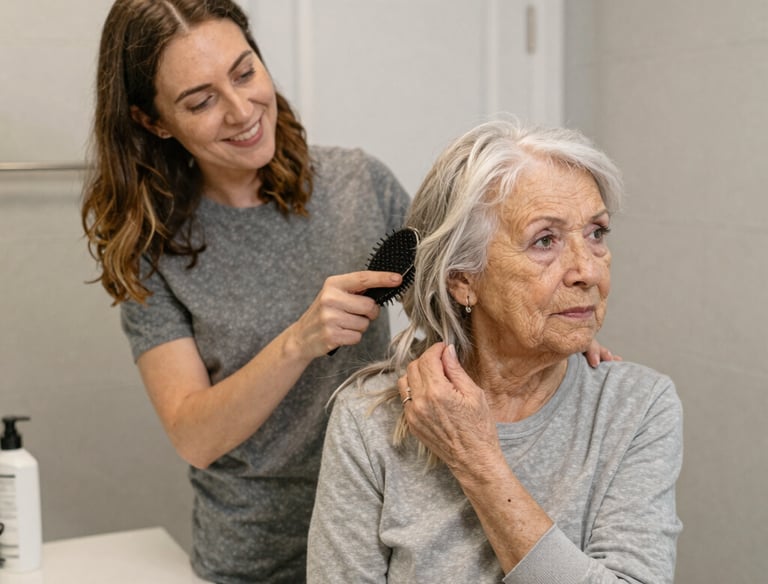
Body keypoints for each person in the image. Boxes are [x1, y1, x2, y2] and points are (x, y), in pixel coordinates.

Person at [80, 1, 412, 582]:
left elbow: (463, 311)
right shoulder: (152, 253)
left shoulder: (362, 184)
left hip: (385, 535)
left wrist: (553, 347)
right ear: (153, 121)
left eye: (244, 72)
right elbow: (195, 435)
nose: (241, 111)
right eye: (201, 100)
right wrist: (298, 342)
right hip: (256, 559)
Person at [307, 119, 683, 583]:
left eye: (596, 233)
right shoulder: (370, 420)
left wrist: (478, 462)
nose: (587, 270)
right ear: (463, 279)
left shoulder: (637, 407)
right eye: (545, 240)